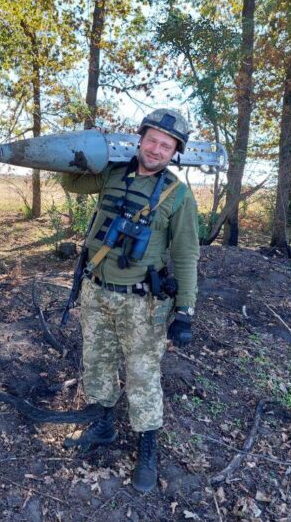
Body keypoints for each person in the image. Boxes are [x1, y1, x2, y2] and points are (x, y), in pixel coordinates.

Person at [60, 109, 200, 493]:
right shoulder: (113, 173)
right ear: (140, 139)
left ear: (174, 152)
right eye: (152, 140)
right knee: (97, 362)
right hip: (95, 290)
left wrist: (185, 311)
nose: (156, 150)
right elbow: (71, 182)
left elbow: (186, 255)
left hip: (141, 303)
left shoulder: (178, 195)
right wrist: (81, 147)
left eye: (166, 146)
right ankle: (103, 425)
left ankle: (147, 448)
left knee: (142, 376)